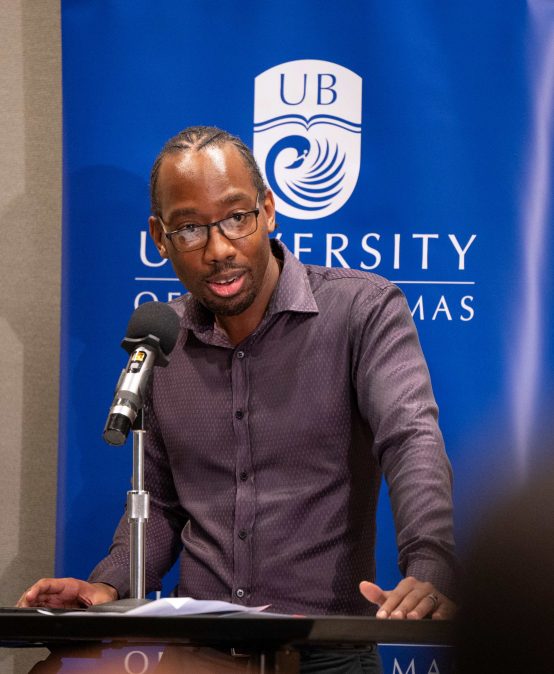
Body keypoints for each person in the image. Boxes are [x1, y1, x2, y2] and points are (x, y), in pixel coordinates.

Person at [18, 126, 457, 673]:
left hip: (323, 652)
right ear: (159, 237)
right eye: (189, 229)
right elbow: (159, 505)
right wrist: (106, 587)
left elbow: (411, 440)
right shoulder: (159, 340)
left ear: (268, 211)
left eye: (236, 218)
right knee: (59, 669)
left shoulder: (361, 311)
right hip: (197, 650)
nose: (219, 249)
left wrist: (429, 567)